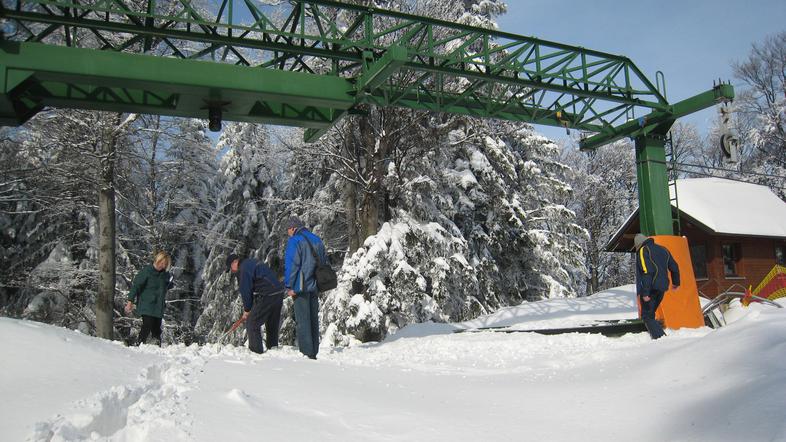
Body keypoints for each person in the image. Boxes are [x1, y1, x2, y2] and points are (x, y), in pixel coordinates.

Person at [284, 216, 327, 360]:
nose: (288, 233)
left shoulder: (295, 241)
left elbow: (292, 265)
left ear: (293, 228)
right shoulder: (316, 239)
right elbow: (323, 261)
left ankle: (306, 354)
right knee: (313, 319)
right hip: (314, 285)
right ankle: (314, 351)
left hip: (300, 286)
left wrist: (289, 285)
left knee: (303, 321)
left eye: (288, 230)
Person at [227, 253, 285, 354]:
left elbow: (246, 291)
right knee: (272, 323)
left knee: (252, 323)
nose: (232, 271)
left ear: (234, 262)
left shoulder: (243, 269)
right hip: (278, 291)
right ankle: (273, 351)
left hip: (267, 294)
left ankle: (256, 353)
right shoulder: (250, 262)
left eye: (231, 267)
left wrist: (247, 310)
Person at [634, 233, 680, 340]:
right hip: (662, 287)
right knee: (651, 313)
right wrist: (676, 282)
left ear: (638, 244)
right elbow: (674, 266)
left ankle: (661, 338)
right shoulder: (663, 249)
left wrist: (645, 292)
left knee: (647, 316)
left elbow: (647, 271)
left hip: (651, 288)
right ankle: (656, 335)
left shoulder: (643, 250)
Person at [125, 251, 173, 346]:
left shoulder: (165, 275)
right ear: (156, 260)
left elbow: (167, 286)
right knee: (147, 324)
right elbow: (136, 286)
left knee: (156, 329)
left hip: (158, 306)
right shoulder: (147, 271)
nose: (162, 266)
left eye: (165, 264)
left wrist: (170, 283)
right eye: (161, 263)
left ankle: (156, 347)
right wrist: (130, 301)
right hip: (146, 304)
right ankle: (139, 343)